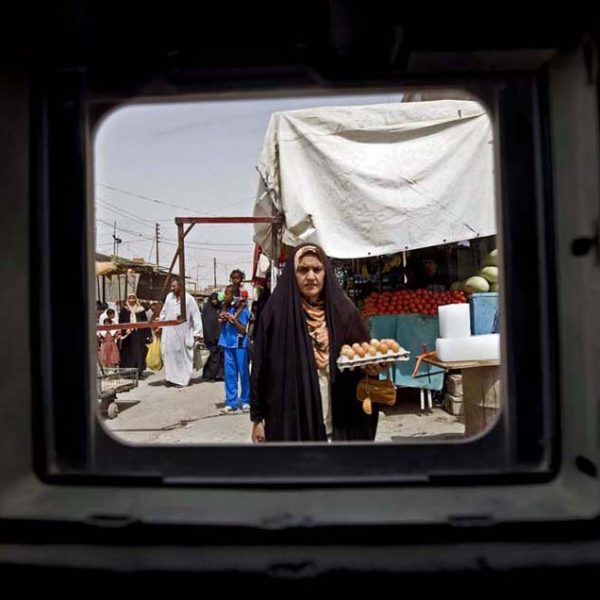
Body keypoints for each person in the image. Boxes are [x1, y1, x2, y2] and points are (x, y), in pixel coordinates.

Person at [250, 243, 382, 443]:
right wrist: (257, 419)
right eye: (303, 270)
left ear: (326, 272)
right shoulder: (275, 314)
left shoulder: (345, 312)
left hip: (340, 417)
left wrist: (374, 366)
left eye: (317, 270)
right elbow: (260, 369)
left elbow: (365, 354)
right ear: (293, 274)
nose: (311, 276)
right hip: (292, 421)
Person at [158, 276, 203, 388]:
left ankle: (181, 380)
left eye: (174, 286)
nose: (172, 288)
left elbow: (196, 316)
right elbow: (163, 313)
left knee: (181, 356)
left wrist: (198, 333)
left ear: (180, 286)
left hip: (184, 331)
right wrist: (159, 325)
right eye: (171, 286)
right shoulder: (169, 297)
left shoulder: (189, 299)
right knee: (168, 354)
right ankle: (170, 378)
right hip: (169, 331)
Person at [218, 285, 251, 414]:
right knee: (230, 375)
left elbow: (243, 330)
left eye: (227, 294)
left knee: (243, 373)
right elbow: (220, 325)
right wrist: (222, 319)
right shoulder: (227, 308)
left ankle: (245, 401)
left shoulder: (243, 310)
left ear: (234, 296)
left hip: (240, 345)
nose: (224, 296)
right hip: (228, 345)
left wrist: (233, 320)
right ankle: (231, 402)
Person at [119, 293, 151, 376]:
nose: (132, 300)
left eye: (133, 298)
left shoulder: (141, 310)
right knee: (128, 353)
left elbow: (146, 323)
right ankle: (127, 372)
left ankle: (139, 371)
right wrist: (124, 331)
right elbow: (121, 322)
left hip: (139, 335)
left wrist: (148, 335)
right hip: (128, 335)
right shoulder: (124, 310)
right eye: (130, 298)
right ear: (127, 299)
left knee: (139, 352)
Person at [201, 292, 224, 382]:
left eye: (216, 299)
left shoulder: (220, 308)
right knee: (209, 356)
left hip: (218, 336)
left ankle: (214, 376)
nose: (214, 301)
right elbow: (205, 323)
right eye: (213, 299)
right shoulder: (207, 308)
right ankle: (208, 375)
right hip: (208, 336)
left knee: (216, 356)